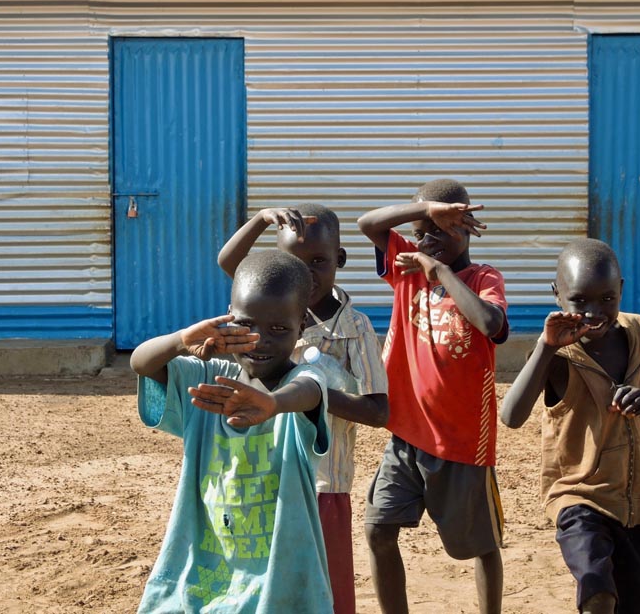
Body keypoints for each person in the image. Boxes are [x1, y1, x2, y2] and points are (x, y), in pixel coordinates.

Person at [130, 249, 333, 614]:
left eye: (278, 329)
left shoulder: (298, 383)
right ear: (228, 316)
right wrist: (181, 339)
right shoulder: (206, 378)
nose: (260, 340)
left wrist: (273, 404)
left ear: (301, 325)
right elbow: (141, 362)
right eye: (247, 325)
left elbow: (311, 390)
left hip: (279, 580)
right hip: (203, 571)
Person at [217, 203, 389, 614]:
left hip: (323, 483)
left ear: (340, 261)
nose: (306, 275)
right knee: (264, 584)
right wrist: (260, 220)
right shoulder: (269, 314)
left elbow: (379, 412)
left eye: (319, 262)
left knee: (324, 590)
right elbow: (229, 262)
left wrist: (314, 394)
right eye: (293, 263)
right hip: (265, 477)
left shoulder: (356, 328)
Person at [499, 238, 640, 614]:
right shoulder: (558, 353)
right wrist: (546, 348)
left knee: (636, 605)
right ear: (557, 295)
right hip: (580, 498)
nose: (594, 312)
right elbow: (511, 416)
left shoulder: (639, 335)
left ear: (621, 291)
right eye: (580, 301)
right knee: (597, 593)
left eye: (607, 299)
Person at [357, 178, 509, 614]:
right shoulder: (406, 266)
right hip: (406, 434)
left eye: (441, 230)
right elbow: (368, 223)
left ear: (466, 227)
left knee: (481, 545)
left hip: (462, 443)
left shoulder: (484, 277)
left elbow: (490, 324)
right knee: (378, 530)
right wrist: (425, 209)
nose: (428, 240)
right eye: (423, 231)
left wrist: (440, 270)